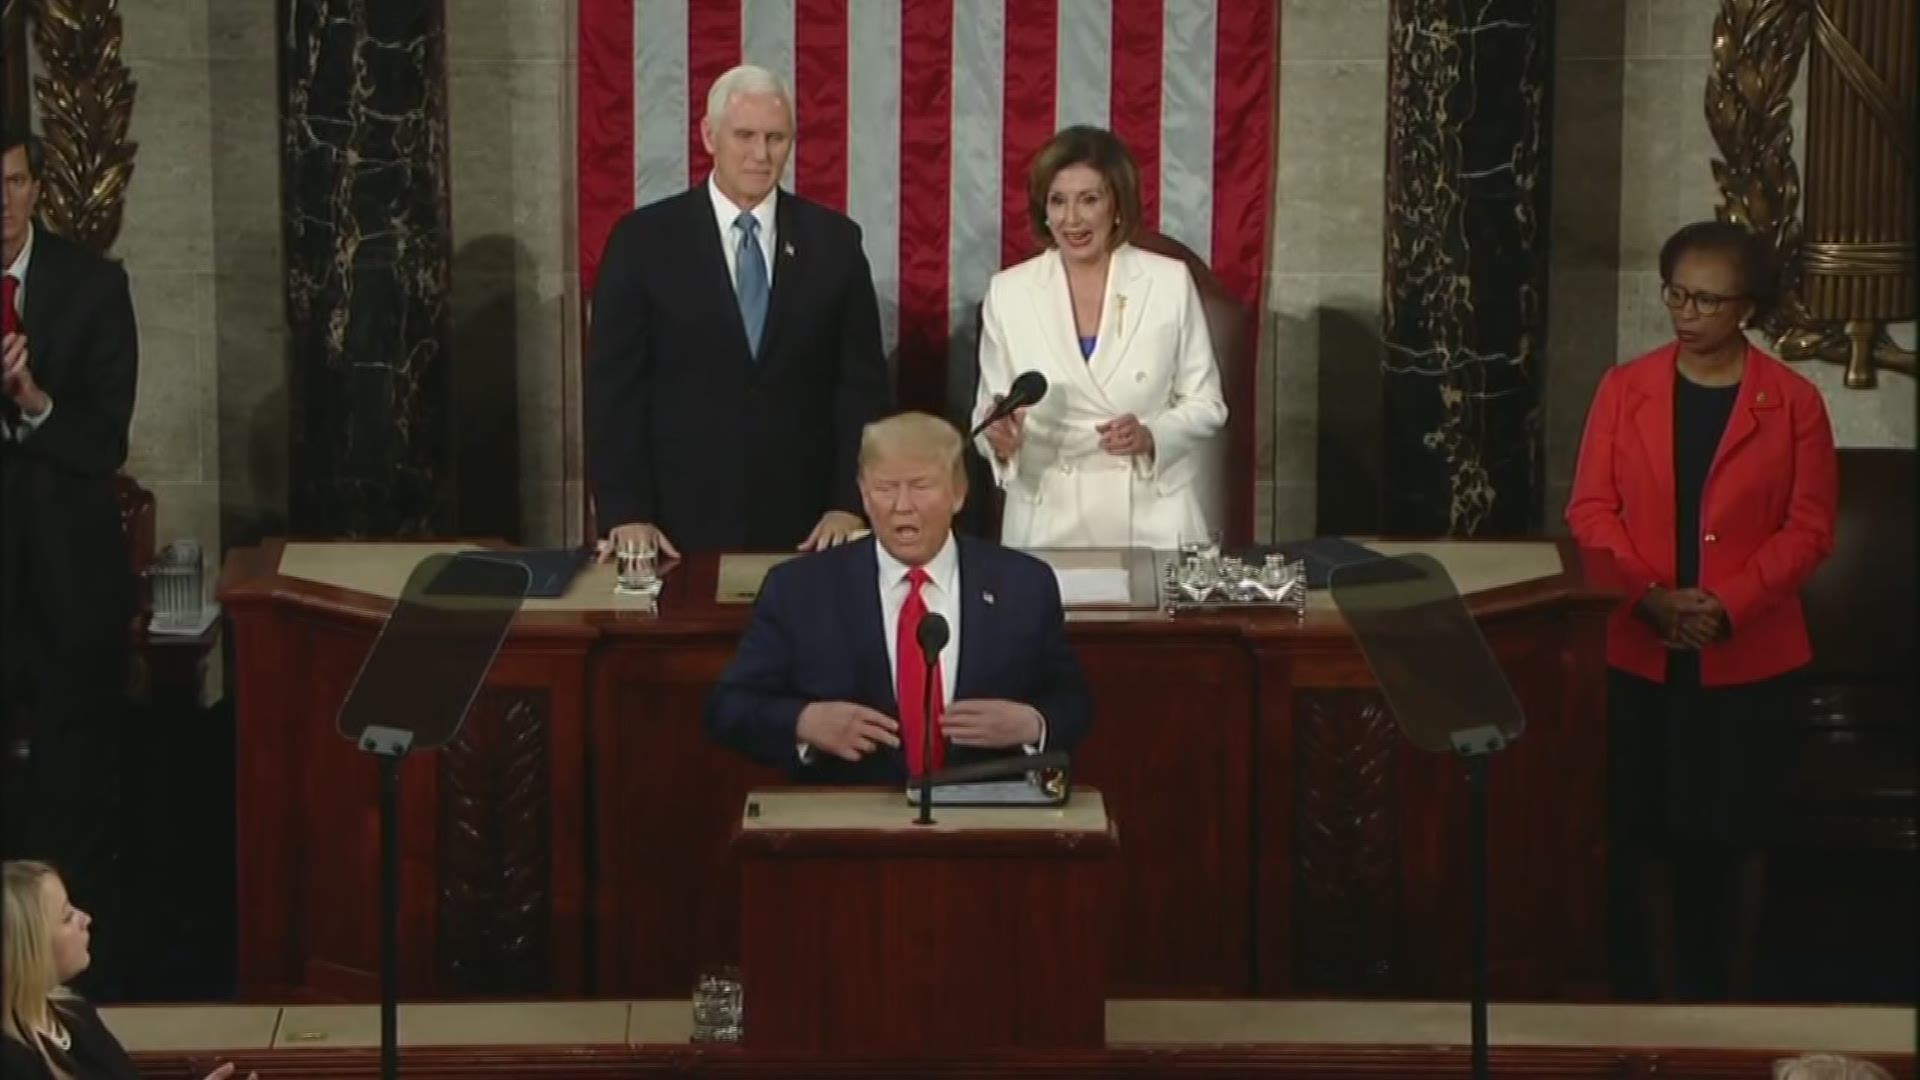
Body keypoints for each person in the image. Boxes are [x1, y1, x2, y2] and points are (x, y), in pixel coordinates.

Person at [1566, 220, 1837, 1000]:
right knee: (1647, 829)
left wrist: (1728, 603)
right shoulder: (1625, 388)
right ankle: (1657, 999)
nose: (1686, 312)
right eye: (1677, 293)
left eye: (1708, 300)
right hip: (1640, 645)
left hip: (1751, 654)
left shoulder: (1794, 403)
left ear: (1746, 309)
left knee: (1741, 832)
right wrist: (1649, 599)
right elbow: (1591, 510)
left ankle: (1735, 996)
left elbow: (1810, 528)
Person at [586, 64, 890, 558]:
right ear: (709, 136)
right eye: (744, 135)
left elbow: (861, 389)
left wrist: (848, 503)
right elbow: (614, 392)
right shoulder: (643, 241)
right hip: (675, 525)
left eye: (776, 138)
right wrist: (626, 511)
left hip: (808, 526)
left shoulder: (834, 242)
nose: (760, 154)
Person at [706, 412, 1093, 783]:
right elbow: (728, 708)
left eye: (921, 486)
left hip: (983, 815)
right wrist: (804, 722)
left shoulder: (1022, 585)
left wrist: (1032, 724)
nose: (901, 506)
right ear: (863, 493)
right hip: (847, 823)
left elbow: (1074, 703)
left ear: (958, 494)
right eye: (885, 488)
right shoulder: (800, 589)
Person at [0, 128, 139, 1000]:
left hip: (62, 582)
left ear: (38, 189)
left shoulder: (92, 286)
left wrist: (34, 400)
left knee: (67, 776)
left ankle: (68, 968)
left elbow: (102, 440)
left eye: (12, 182)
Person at [972, 125, 1227, 550]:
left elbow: (1207, 404)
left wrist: (1151, 435)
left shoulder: (1168, 282)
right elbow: (988, 414)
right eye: (1058, 201)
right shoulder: (1008, 292)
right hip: (1047, 517)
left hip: (1152, 519)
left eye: (1089, 199)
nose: (1072, 219)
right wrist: (1000, 440)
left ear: (1117, 206)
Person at [2, 860, 253, 1079]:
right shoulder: (9, 1059)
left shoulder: (74, 1012)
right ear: (30, 947)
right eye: (67, 916)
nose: (85, 918)